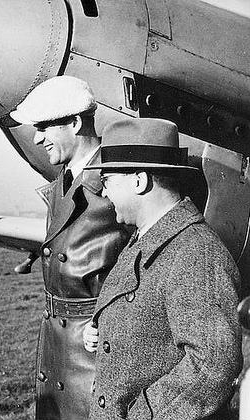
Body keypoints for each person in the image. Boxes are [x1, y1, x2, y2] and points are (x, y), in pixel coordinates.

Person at [82, 118, 242, 419]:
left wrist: (142, 415)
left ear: (139, 181)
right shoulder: (147, 238)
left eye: (107, 181)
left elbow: (214, 363)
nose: (104, 193)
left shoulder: (195, 252)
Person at [9, 75, 131, 419]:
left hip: (96, 353)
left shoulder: (116, 184)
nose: (36, 138)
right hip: (58, 347)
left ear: (76, 123)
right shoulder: (65, 182)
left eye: (45, 126)